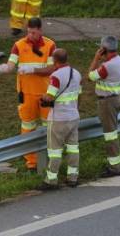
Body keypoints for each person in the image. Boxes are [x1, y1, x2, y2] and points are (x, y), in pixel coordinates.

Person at [0, 16, 57, 172]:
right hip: (27, 94)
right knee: (27, 126)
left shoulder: (50, 45)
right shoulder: (18, 45)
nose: (31, 36)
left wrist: (33, 70)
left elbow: (51, 69)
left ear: (40, 31)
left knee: (49, 125)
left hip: (46, 94)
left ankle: (51, 158)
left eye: (34, 33)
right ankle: (31, 162)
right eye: (29, 32)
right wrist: (5, 68)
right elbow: (11, 65)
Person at [39, 48, 81, 190]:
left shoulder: (56, 76)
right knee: (73, 149)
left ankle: (51, 180)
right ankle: (73, 177)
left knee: (55, 151)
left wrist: (43, 98)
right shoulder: (76, 74)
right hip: (74, 116)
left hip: (58, 118)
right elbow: (78, 96)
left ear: (54, 60)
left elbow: (50, 96)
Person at [88, 35, 120, 177]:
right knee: (112, 133)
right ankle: (115, 164)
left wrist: (96, 58)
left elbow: (90, 76)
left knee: (110, 136)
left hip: (107, 103)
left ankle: (115, 167)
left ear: (103, 49)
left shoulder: (107, 66)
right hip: (116, 98)